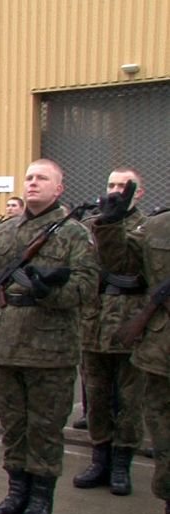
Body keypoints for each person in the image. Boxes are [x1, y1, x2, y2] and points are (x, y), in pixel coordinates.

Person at [0, 159, 96, 514]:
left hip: (50, 345)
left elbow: (86, 287)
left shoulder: (74, 233)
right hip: (5, 341)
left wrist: (48, 291)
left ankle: (40, 498)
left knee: (45, 427)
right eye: (29, 177)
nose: (33, 183)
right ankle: (16, 492)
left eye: (42, 178)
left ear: (58, 188)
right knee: (14, 426)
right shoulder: (5, 230)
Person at [92, 178, 170, 514]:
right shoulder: (158, 226)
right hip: (162, 355)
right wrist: (109, 226)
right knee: (166, 442)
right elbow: (121, 262)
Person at [73, 168, 148, 495]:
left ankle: (122, 463)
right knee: (97, 398)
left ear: (138, 193)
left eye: (124, 186)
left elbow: (127, 266)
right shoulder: (91, 226)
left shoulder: (148, 226)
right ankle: (99, 457)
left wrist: (113, 225)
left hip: (131, 325)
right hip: (93, 322)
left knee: (130, 401)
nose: (116, 191)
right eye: (111, 185)